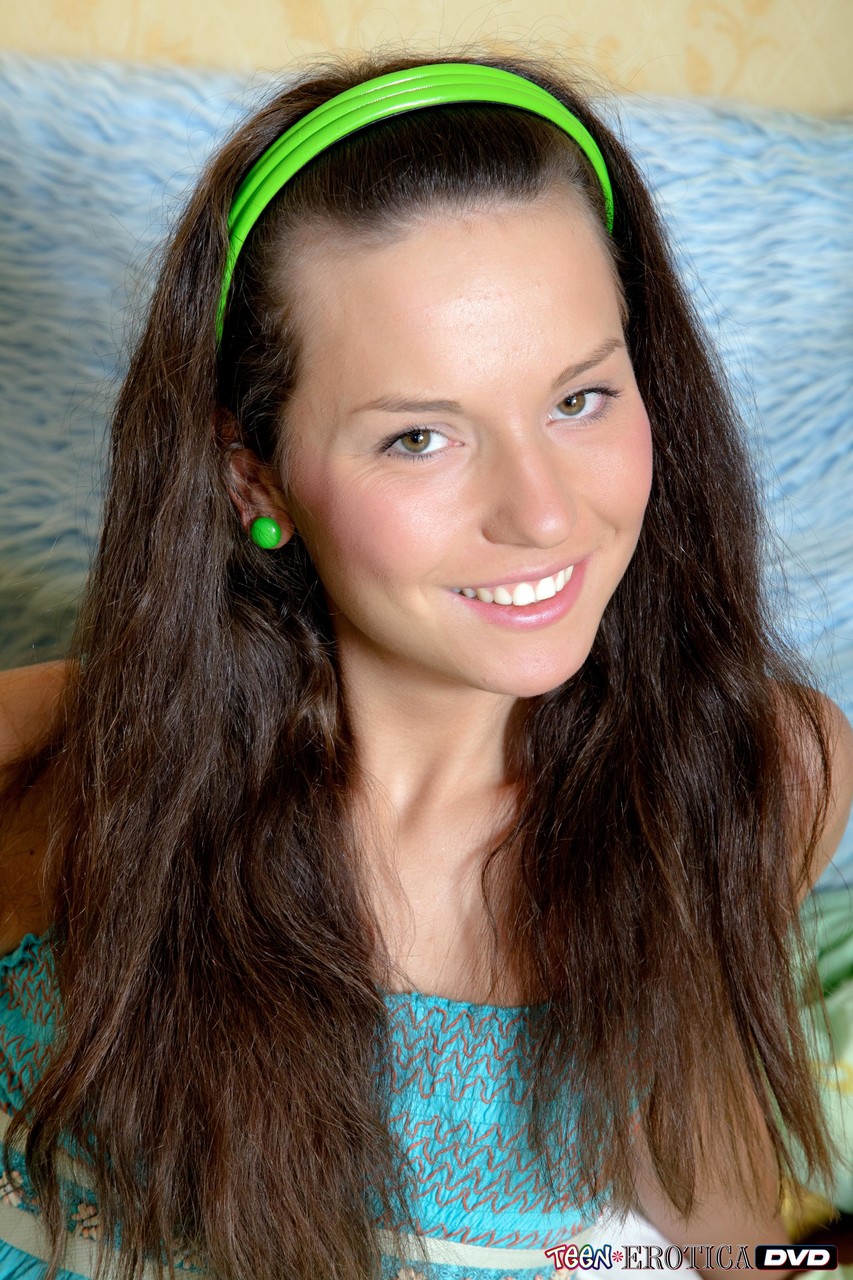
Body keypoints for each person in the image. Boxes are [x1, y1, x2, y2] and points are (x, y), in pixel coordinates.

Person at [0, 43, 851, 1280]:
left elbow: (685, 1137)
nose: (542, 513)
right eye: (417, 437)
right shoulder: (71, 766)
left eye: (578, 399)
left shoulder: (757, 765)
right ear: (253, 480)